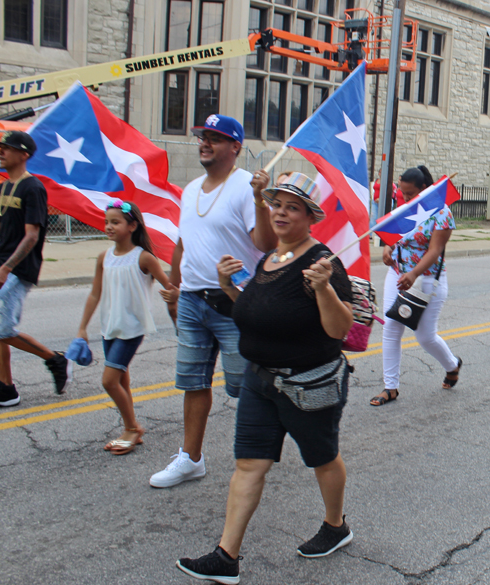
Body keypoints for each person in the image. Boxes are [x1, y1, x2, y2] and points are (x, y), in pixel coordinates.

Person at [176, 172, 354, 584]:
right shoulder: (270, 257)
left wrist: (324, 289)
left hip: (307, 385)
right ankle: (226, 557)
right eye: (276, 205)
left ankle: (335, 526)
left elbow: (339, 329)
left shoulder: (323, 262)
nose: (279, 213)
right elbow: (257, 312)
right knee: (248, 465)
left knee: (322, 458)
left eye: (292, 207)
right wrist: (227, 286)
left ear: (310, 217)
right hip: (261, 381)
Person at [149, 114, 277, 488]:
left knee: (246, 386)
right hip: (192, 300)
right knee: (193, 382)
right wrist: (175, 286)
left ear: (235, 147)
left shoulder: (244, 187)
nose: (205, 143)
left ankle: (269, 444)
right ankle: (190, 459)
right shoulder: (190, 190)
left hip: (235, 301)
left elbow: (266, 245)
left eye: (215, 138)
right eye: (203, 137)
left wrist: (259, 200)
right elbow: (183, 243)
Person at [76, 199, 178, 454]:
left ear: (132, 226)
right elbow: (94, 294)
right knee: (122, 381)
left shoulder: (144, 258)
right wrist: (82, 329)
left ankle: (132, 428)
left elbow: (169, 286)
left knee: (109, 381)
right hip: (109, 328)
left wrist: (173, 295)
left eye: (115, 222)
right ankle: (130, 427)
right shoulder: (104, 257)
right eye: (106, 222)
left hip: (131, 329)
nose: (109, 227)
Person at [0, 131, 72, 409]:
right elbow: (5, 230)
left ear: (23, 154)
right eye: (0, 147)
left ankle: (55, 359)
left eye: (7, 148)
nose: (1, 152)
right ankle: (6, 388)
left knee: (2, 329)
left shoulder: (33, 188)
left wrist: (6, 269)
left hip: (17, 269)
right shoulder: (4, 187)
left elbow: (31, 235)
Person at [370, 165, 462, 407]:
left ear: (424, 189)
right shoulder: (404, 208)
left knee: (425, 336)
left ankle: (452, 365)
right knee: (391, 327)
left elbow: (435, 251)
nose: (406, 199)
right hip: (398, 275)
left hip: (426, 280)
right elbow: (394, 238)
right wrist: (388, 249)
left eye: (410, 194)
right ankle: (390, 387)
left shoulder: (442, 213)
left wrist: (413, 273)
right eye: (402, 194)